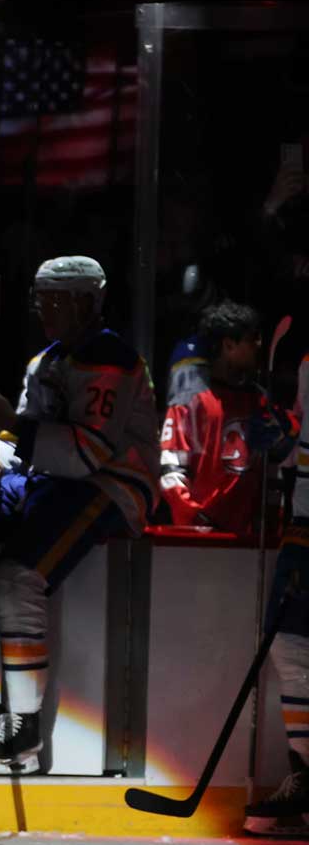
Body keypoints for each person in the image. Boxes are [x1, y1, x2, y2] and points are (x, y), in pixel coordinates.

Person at [0, 256, 159, 775]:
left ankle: (23, 725)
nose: (47, 311)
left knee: (17, 578)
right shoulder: (43, 362)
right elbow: (22, 444)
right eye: (43, 300)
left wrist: (12, 428)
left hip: (113, 487)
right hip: (59, 481)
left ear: (89, 303)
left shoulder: (116, 362)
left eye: (59, 300)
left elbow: (87, 455)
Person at [160, 301, 294, 532]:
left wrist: (283, 438)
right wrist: (197, 520)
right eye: (252, 339)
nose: (259, 345)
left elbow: (280, 464)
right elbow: (170, 471)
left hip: (249, 539)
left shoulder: (260, 401)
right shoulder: (191, 401)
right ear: (229, 345)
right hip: (199, 539)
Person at [246, 345, 309, 836]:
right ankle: (307, 778)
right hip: (304, 528)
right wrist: (283, 435)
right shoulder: (304, 357)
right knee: (290, 648)